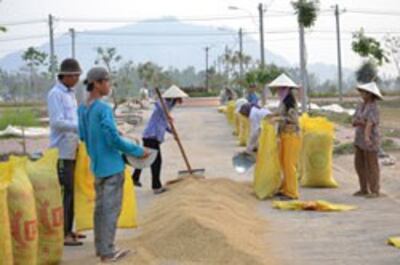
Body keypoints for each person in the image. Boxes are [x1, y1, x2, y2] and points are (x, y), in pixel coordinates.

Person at [78, 67, 148, 262]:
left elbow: (83, 136)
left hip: (97, 167)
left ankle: (101, 248)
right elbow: (113, 140)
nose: (109, 86)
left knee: (100, 210)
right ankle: (108, 252)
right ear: (98, 84)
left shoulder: (83, 108)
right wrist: (137, 150)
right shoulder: (103, 108)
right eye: (107, 82)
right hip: (112, 167)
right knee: (110, 211)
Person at [47, 58, 84, 246]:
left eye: (78, 75)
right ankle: (64, 233)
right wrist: (79, 127)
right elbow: (57, 122)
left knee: (73, 189)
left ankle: (70, 229)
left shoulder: (71, 94)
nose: (77, 79)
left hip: (72, 148)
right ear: (65, 76)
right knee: (66, 191)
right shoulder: (55, 94)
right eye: (75, 75)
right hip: (61, 151)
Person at [132, 84, 188, 194]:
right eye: (179, 99)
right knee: (156, 162)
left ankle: (134, 177)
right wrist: (167, 115)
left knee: (145, 158)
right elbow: (158, 105)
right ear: (175, 98)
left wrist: (173, 133)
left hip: (152, 137)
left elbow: (164, 124)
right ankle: (156, 187)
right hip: (151, 136)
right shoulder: (164, 104)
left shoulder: (169, 107)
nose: (180, 101)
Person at [268, 73, 301, 200]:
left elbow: (291, 118)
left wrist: (277, 118)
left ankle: (292, 192)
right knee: (283, 162)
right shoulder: (283, 101)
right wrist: (271, 115)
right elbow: (279, 113)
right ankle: (285, 188)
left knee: (289, 163)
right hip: (285, 135)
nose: (278, 91)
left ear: (286, 89)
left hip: (292, 134)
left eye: (280, 88)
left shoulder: (290, 102)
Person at [352, 81, 382, 198]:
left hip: (370, 138)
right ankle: (363, 188)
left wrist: (367, 137)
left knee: (371, 164)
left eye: (363, 92)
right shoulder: (360, 105)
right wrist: (359, 122)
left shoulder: (373, 107)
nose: (361, 94)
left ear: (369, 94)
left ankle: (374, 190)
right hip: (359, 138)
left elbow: (369, 124)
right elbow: (354, 120)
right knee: (359, 163)